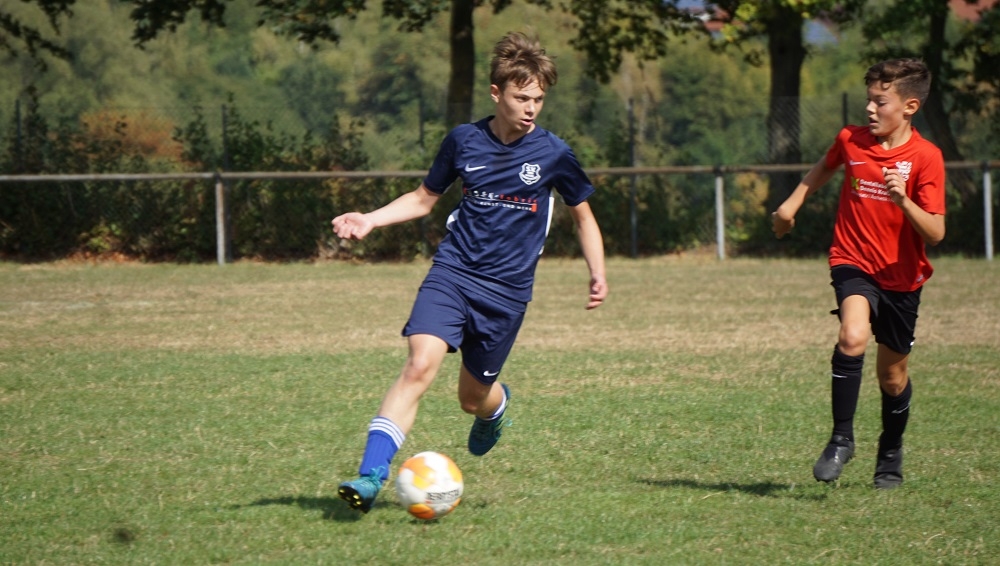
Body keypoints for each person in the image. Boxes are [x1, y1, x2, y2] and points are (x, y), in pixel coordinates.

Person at [331, 32, 608, 513]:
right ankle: (371, 474)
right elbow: (423, 199)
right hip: (454, 273)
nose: (531, 108)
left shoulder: (554, 153)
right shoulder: (464, 140)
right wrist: (370, 219)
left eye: (539, 99)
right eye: (522, 97)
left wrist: (597, 272)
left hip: (506, 294)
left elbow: (583, 217)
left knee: (472, 399)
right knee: (419, 365)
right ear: (496, 93)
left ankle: (495, 409)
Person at [772, 58, 946, 489]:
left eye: (880, 102)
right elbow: (824, 167)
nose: (870, 109)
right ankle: (841, 439)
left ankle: (890, 452)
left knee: (893, 378)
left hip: (902, 277)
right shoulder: (851, 139)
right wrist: (791, 205)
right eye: (869, 99)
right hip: (852, 260)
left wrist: (903, 201)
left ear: (909, 107)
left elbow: (936, 232)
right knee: (852, 337)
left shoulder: (926, 157)